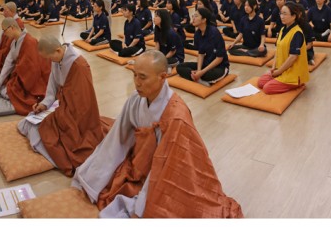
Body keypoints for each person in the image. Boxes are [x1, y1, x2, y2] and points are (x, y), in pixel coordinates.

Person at [71, 51, 243, 218]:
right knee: (106, 180)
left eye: (143, 77)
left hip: (171, 168)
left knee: (161, 207)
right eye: (134, 75)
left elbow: (172, 162)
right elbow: (117, 139)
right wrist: (93, 177)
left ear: (163, 77)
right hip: (141, 163)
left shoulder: (174, 115)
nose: (137, 83)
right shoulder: (135, 99)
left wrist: (141, 206)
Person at [17, 36, 106, 175]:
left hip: (77, 113)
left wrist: (63, 115)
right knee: (28, 122)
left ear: (58, 50)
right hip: (64, 106)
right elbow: (52, 85)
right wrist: (44, 104)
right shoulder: (57, 58)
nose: (50, 61)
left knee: (48, 134)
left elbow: (84, 101)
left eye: (49, 58)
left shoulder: (79, 65)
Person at [0, 18, 51, 116]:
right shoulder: (15, 41)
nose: (4, 34)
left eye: (4, 30)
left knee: (9, 92)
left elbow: (33, 69)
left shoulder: (29, 41)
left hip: (37, 79)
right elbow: (9, 62)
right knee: (4, 88)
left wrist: (17, 78)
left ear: (12, 28)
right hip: (24, 75)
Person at [258, 2, 310, 94]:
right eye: (281, 13)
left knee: (267, 88)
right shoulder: (282, 29)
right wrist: (274, 67)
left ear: (293, 16)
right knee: (261, 82)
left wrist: (278, 72)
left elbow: (293, 57)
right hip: (281, 69)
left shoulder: (297, 33)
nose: (282, 16)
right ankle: (279, 77)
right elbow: (278, 50)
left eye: (285, 14)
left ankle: (298, 84)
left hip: (293, 74)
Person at [176, 7, 230, 85]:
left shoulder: (214, 33)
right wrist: (199, 70)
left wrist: (202, 72)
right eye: (193, 16)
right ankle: (199, 78)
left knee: (206, 75)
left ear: (204, 20)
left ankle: (198, 77)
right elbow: (201, 54)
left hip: (220, 66)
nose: (193, 18)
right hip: (206, 63)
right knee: (180, 67)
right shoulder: (198, 33)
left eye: (196, 16)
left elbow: (219, 58)